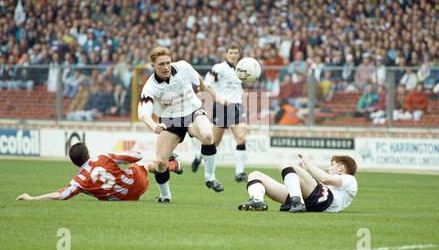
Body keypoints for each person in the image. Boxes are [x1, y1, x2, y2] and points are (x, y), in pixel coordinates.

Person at [138, 46, 223, 204]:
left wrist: (216, 97)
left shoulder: (183, 67)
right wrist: (153, 126)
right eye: (161, 64)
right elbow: (144, 113)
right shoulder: (150, 87)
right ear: (153, 66)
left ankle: (210, 177)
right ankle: (165, 196)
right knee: (161, 162)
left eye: (167, 63)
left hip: (193, 111)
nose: (165, 67)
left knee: (208, 135)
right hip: (170, 120)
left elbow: (202, 84)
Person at [16, 142, 183, 201]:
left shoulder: (79, 181)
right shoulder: (104, 157)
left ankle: (174, 165)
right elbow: (137, 156)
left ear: (74, 163)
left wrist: (32, 198)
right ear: (88, 154)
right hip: (135, 185)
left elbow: (61, 196)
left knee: (136, 168)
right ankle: (174, 165)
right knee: (144, 165)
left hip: (120, 199)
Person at [191, 43, 249, 183]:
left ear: (239, 55)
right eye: (231, 53)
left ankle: (239, 173)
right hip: (222, 107)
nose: (233, 55)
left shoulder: (241, 69)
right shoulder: (218, 68)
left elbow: (237, 86)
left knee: (241, 139)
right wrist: (218, 98)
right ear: (226, 54)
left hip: (236, 107)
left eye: (236, 53)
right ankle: (199, 156)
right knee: (215, 142)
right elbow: (206, 84)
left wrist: (242, 93)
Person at [238, 154, 358, 213]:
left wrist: (307, 163)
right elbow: (319, 184)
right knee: (254, 175)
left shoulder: (349, 179)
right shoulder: (340, 184)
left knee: (284, 162)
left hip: (322, 200)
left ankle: (297, 202)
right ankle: (257, 201)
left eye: (332, 165)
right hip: (313, 200)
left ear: (341, 168)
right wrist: (300, 171)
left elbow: (325, 179)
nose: (328, 168)